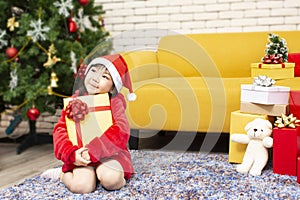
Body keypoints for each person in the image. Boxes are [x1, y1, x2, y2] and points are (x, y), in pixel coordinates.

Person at [41, 54, 136, 194]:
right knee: (81, 187)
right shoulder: (74, 100)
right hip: (82, 155)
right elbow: (61, 131)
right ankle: (61, 175)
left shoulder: (114, 102)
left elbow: (121, 131)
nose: (96, 78)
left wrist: (94, 151)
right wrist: (72, 154)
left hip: (110, 154)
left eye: (105, 76)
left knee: (112, 180)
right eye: (93, 71)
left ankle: (103, 174)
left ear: (112, 88)